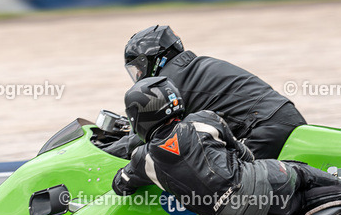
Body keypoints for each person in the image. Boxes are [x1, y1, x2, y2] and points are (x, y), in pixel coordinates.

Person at [111, 77, 341, 215]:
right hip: (261, 181)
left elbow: (120, 184)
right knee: (302, 175)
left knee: (298, 204)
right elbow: (245, 153)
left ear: (141, 117)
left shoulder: (142, 159)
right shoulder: (204, 119)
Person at [116, 24, 306, 159]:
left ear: (156, 59)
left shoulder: (169, 83)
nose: (139, 75)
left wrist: (103, 149)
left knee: (230, 187)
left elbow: (142, 140)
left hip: (264, 128)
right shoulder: (195, 67)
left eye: (139, 68)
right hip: (276, 118)